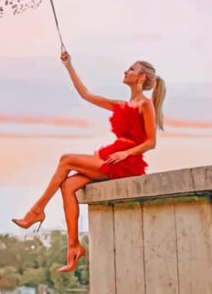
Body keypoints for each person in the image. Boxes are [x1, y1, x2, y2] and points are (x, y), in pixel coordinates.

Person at [11, 50, 166, 273]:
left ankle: (36, 211)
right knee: (68, 185)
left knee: (66, 160)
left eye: (131, 69)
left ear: (141, 78)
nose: (126, 71)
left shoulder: (145, 105)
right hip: (111, 156)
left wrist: (126, 154)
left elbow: (151, 142)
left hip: (124, 162)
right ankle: (73, 247)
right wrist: (68, 65)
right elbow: (85, 94)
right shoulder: (121, 104)